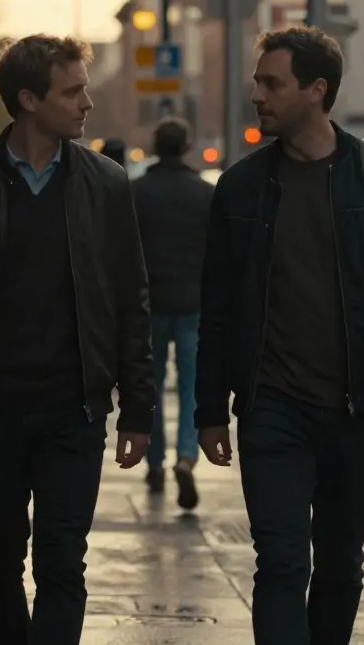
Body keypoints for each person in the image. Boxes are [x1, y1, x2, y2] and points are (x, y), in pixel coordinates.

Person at [194, 25, 364, 645]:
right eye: (258, 81)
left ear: (316, 89)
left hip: (356, 405)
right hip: (271, 406)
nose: (258, 94)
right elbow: (219, 307)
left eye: (271, 83)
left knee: (339, 562)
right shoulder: (242, 186)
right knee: (281, 561)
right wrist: (208, 411)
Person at [0, 34, 156, 645]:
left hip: (74, 410)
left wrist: (138, 407)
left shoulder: (106, 183)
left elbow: (131, 299)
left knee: (62, 564)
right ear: (28, 100)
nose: (86, 104)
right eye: (72, 92)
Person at [131, 116, 212, 509]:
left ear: (154, 148)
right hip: (193, 305)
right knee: (191, 387)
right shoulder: (204, 194)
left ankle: (154, 461)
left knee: (149, 385)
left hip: (149, 306)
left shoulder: (137, 193)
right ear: (186, 148)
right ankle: (186, 456)